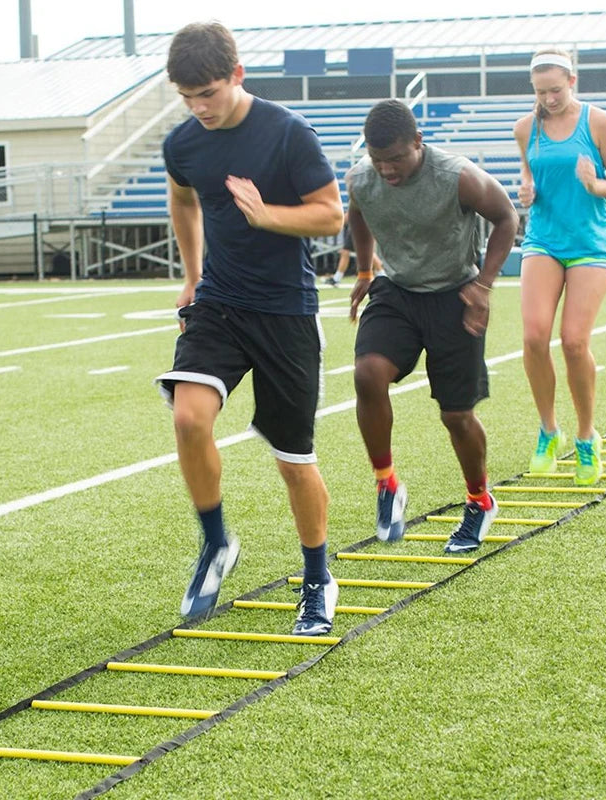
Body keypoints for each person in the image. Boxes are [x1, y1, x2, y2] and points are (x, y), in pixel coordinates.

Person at [155, 22, 344, 635]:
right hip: (219, 303)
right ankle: (215, 544)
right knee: (188, 416)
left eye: (207, 93)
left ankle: (318, 579)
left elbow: (331, 214)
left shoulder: (289, 134)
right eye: (186, 97)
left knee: (293, 459)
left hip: (286, 310)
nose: (198, 108)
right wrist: (192, 273)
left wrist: (268, 216)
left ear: (237, 76)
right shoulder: (183, 143)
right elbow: (183, 199)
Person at [347, 99, 518, 553]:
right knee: (367, 374)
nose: (386, 170)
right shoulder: (362, 177)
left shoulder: (457, 176)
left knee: (456, 416)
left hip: (455, 295)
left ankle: (479, 501)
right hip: (397, 291)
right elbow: (358, 212)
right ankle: (387, 484)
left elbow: (507, 218)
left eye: (396, 159)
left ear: (418, 143)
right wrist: (366, 272)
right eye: (378, 159)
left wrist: (483, 286)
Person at [513, 48, 606, 485]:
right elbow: (529, 180)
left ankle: (586, 436)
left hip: (590, 244)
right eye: (541, 92)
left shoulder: (598, 122)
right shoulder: (525, 129)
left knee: (575, 342)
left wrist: (595, 184)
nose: (549, 99)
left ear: (572, 82)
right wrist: (526, 191)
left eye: (556, 90)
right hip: (543, 239)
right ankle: (549, 430)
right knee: (533, 336)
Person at [324, 212, 383, 286]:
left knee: (349, 251)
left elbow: (352, 211)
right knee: (347, 252)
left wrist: (338, 222)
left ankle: (337, 278)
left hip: (359, 223)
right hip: (361, 223)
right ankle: (382, 274)